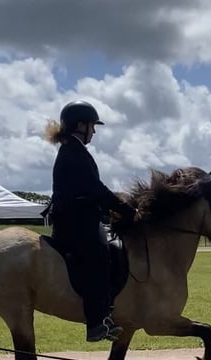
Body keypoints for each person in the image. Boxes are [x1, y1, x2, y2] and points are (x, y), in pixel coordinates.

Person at [44, 100, 137, 342]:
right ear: (80, 125)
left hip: (79, 217)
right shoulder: (73, 152)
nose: (94, 132)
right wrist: (123, 207)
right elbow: (95, 188)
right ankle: (95, 322)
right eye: (92, 126)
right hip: (75, 221)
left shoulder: (73, 149)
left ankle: (105, 314)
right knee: (99, 255)